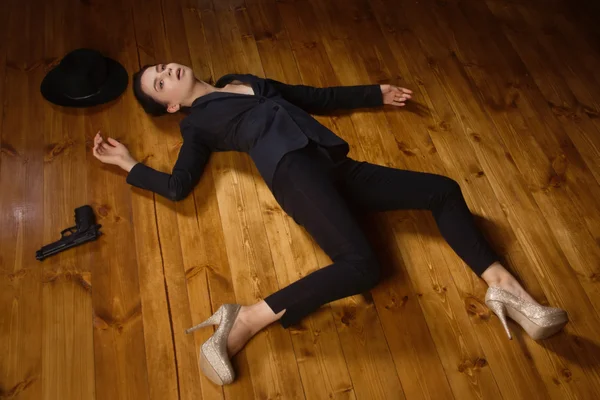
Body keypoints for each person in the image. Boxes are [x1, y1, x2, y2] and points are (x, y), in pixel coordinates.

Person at [92, 63, 568, 385]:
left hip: (333, 164)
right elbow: (179, 185)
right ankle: (245, 319)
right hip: (292, 172)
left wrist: (373, 94)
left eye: (161, 67)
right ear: (172, 107)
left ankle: (505, 287)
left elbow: (307, 96)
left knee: (442, 189)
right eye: (159, 83)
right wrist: (128, 164)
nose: (167, 72)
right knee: (362, 266)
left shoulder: (238, 77)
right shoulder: (196, 125)